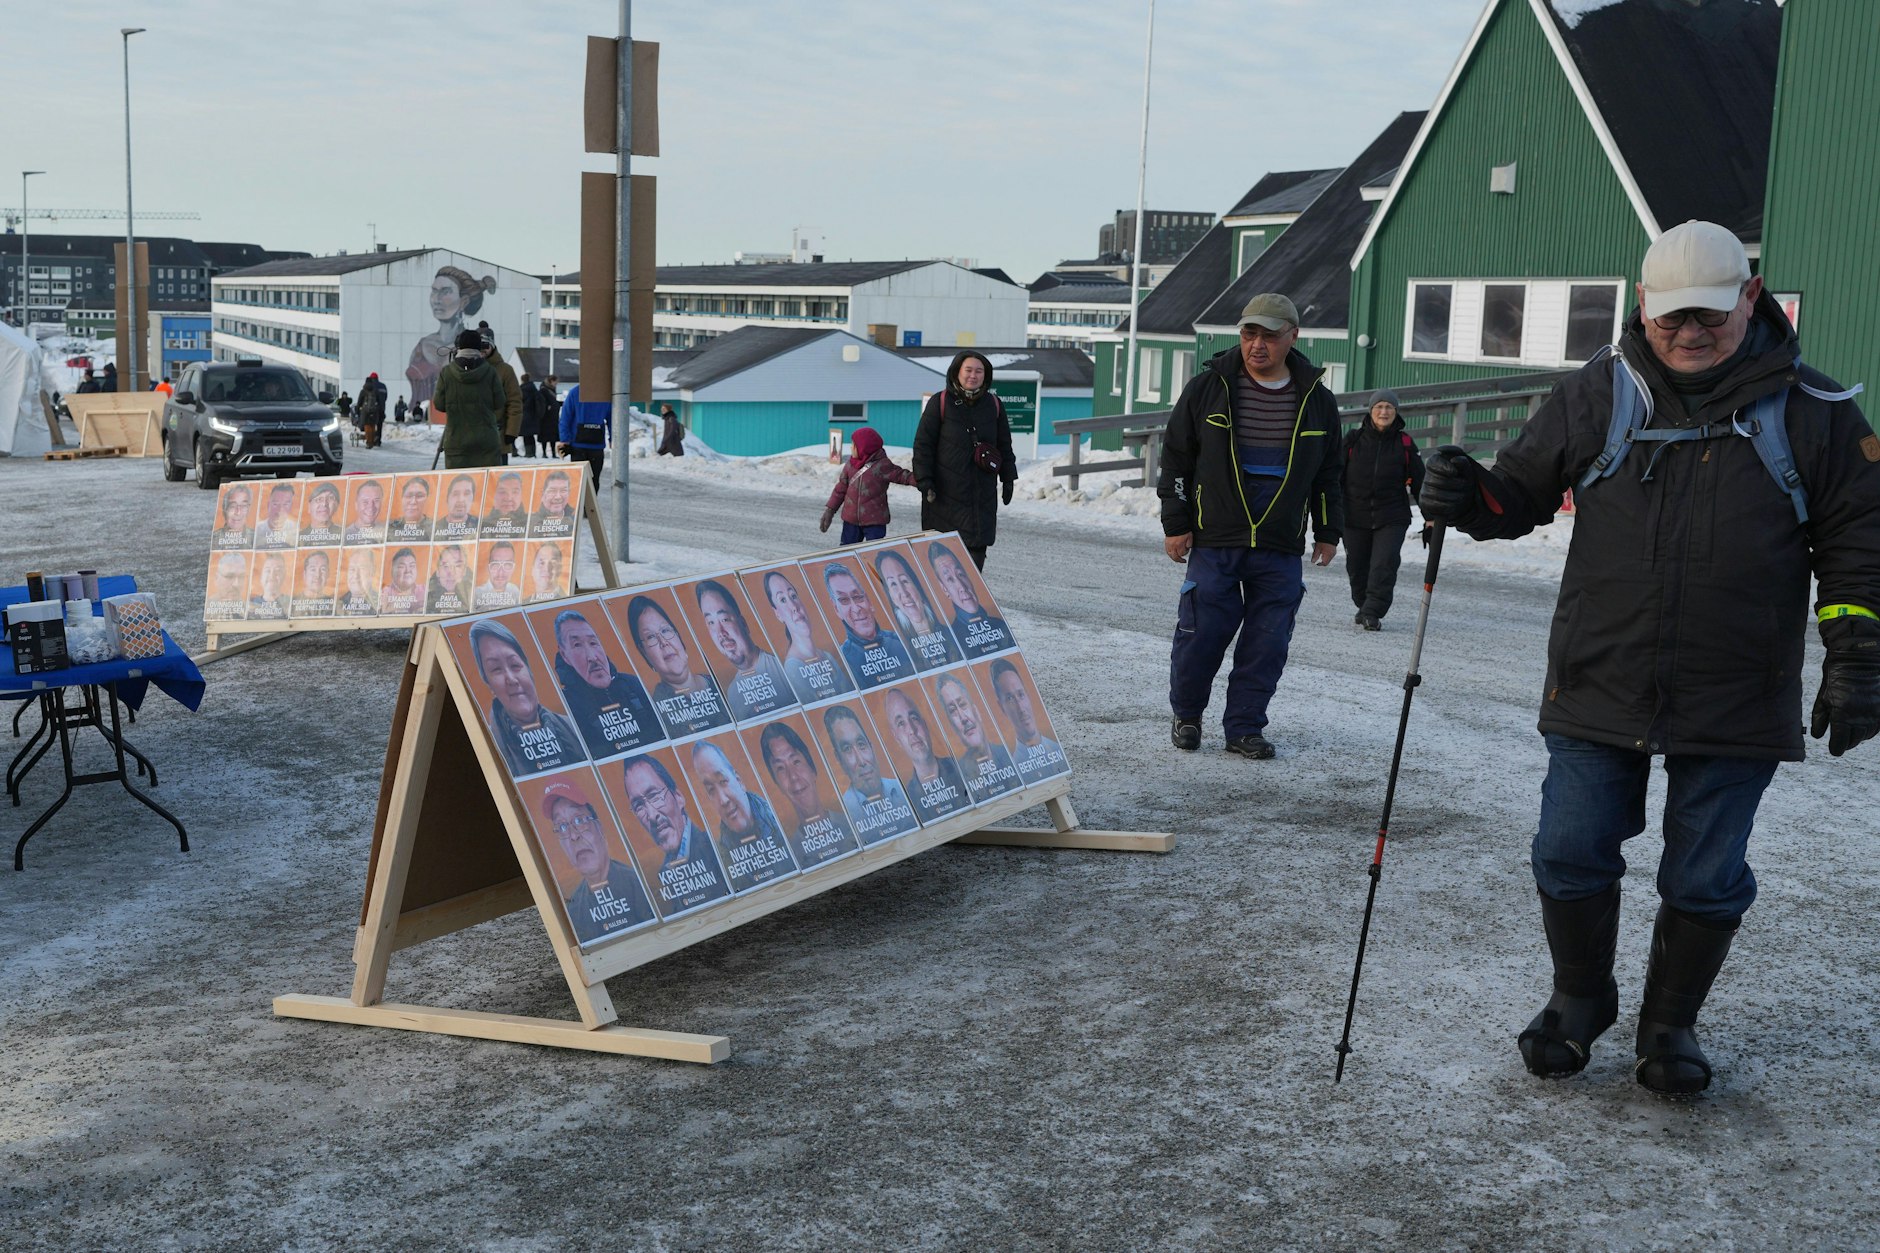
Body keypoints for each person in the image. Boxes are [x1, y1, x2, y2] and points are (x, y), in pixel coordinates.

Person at [1416, 220, 1880, 1096]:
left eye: (1711, 312)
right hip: (1603, 671)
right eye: (1672, 317)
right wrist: (1463, 491)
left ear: (1751, 298)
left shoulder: (1815, 412)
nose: (1690, 331)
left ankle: (1671, 1023)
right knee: (1569, 848)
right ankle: (1580, 997)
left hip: (1741, 688)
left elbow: (1859, 541)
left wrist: (1859, 652)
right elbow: (1515, 492)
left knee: (1705, 874)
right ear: (1642, 304)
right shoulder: (1600, 392)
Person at [1158, 292, 1344, 761]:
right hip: (1216, 536)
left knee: (1267, 643)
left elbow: (1328, 474)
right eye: (1248, 333)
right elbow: (1177, 459)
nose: (1256, 345)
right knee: (1201, 635)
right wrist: (1176, 522)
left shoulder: (1318, 402)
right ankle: (1188, 714)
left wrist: (1327, 530)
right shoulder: (1207, 389)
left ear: (1293, 337)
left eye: (1269, 335)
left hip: (1280, 542)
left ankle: (1244, 728)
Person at [912, 350, 1017, 571]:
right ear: (956, 373)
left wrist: (1008, 478)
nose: (973, 375)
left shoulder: (994, 405)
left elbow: (1004, 445)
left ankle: (971, 603)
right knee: (943, 557)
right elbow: (923, 445)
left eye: (979, 371)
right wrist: (925, 481)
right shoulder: (939, 403)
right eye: (968, 370)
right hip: (943, 495)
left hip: (981, 495)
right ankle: (943, 604)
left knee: (975, 555)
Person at [1342, 389, 1426, 631]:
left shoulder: (1405, 443)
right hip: (1354, 515)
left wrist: (1430, 517)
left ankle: (1373, 611)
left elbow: (1420, 483)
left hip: (1392, 516)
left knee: (1384, 564)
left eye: (1389, 407)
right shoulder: (1353, 440)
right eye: (1379, 407)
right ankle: (1365, 605)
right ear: (1370, 411)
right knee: (1357, 568)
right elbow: (1335, 477)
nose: (1384, 411)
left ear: (1396, 412)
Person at [467, 618, 586, 777]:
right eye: (496, 669)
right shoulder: (487, 748)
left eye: (515, 665)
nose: (511, 679)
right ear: (488, 684)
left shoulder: (575, 727)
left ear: (529, 671)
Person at [544, 782, 655, 943]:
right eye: (561, 827)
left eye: (579, 820)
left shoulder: (642, 886)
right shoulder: (574, 910)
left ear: (600, 828)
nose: (573, 836)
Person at [620, 754, 732, 913]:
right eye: (639, 806)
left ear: (678, 797)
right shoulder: (662, 877)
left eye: (654, 795)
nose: (651, 815)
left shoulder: (719, 848)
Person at [688, 740, 797, 890]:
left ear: (739, 781)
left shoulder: (789, 823)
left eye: (723, 781)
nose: (723, 800)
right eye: (711, 790)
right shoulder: (720, 860)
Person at [551, 608, 660, 757]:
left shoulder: (632, 685)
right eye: (577, 645)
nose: (592, 657)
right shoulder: (566, 705)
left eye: (593, 643)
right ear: (565, 656)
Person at [758, 720, 860, 866]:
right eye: (780, 768)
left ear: (812, 769)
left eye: (796, 761)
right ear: (777, 784)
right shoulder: (790, 858)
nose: (793, 777)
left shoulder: (855, 822)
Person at [626, 595, 731, 736]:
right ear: (644, 653)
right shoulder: (659, 712)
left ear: (678, 637)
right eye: (650, 637)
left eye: (665, 630)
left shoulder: (723, 682)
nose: (663, 642)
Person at [694, 579, 794, 720]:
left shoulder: (784, 667)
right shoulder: (733, 693)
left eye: (724, 619)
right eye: (711, 622)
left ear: (743, 624)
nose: (720, 632)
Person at [821, 704, 920, 842]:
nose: (861, 760)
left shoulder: (905, 789)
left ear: (871, 747)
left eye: (861, 744)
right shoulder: (843, 812)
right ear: (839, 759)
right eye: (847, 749)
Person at [759, 569, 855, 704]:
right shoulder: (793, 668)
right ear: (778, 614)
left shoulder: (827, 656)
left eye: (793, 596)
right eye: (782, 600)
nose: (793, 606)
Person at [408, 265, 496, 409]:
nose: (437, 299)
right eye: (434, 291)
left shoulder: (472, 345)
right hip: (422, 419)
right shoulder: (422, 346)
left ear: (464, 301)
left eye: (445, 292)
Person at [878, 687, 969, 824]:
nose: (911, 730)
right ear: (896, 737)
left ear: (924, 724)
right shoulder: (907, 802)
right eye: (901, 723)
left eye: (913, 718)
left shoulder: (964, 768)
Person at [822, 562, 914, 689]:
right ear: (836, 609)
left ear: (869, 601)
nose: (856, 609)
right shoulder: (842, 662)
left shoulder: (900, 640)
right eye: (844, 600)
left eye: (858, 597)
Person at [820, 425, 914, 545]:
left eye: (854, 445)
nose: (851, 447)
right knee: (847, 553)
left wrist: (922, 481)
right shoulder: (850, 465)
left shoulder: (882, 465)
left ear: (864, 447)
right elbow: (840, 489)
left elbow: (902, 476)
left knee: (873, 553)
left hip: (874, 521)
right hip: (851, 521)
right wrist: (830, 510)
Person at [935, 671, 1020, 802]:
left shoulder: (1011, 753)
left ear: (976, 711)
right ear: (952, 727)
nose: (963, 717)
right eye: (953, 711)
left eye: (963, 705)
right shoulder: (957, 777)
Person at [875, 548, 959, 671]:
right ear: (891, 597)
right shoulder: (898, 652)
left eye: (904, 581)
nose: (904, 593)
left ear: (916, 585)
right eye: (893, 584)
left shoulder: (953, 635)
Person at [434, 328, 506, 469]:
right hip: (486, 443)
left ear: (458, 347)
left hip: (457, 442)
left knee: (459, 488)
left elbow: (439, 404)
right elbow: (500, 402)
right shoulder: (490, 372)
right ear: (479, 347)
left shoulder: (447, 373)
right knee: (487, 489)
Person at [926, 541, 1012, 658]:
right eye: (950, 579)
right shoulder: (952, 640)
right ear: (944, 589)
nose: (962, 587)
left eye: (961, 574)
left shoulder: (1000, 626)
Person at [990, 658, 1068, 784]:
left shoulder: (1057, 750)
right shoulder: (1016, 771)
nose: (1020, 707)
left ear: (1027, 695)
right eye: (1010, 698)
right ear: (1001, 707)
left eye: (1021, 695)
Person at [479, 325, 523, 460]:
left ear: (492, 346)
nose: (482, 350)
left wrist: (511, 432)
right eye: (478, 346)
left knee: (497, 479)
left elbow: (515, 402)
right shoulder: (467, 369)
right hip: (472, 440)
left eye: (485, 345)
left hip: (498, 436)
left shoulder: (505, 370)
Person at [558, 382, 609, 485]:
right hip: (597, 445)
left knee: (577, 482)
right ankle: (591, 501)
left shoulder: (575, 392)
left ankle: (579, 501)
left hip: (578, 445)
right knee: (594, 481)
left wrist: (565, 440)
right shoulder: (604, 394)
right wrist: (613, 439)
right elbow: (613, 419)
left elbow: (565, 418)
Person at [473, 540, 523, 610]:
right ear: (488, 567)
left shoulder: (515, 591)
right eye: (495, 565)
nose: (500, 573)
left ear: (513, 568)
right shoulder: (476, 594)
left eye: (507, 565)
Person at [529, 468, 577, 538]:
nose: (558, 497)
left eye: (563, 491)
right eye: (552, 491)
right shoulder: (530, 522)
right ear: (542, 494)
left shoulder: (575, 519)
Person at [426, 543, 472, 614]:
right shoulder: (425, 600)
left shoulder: (474, 597)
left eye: (457, 566)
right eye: (446, 566)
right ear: (438, 571)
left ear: (464, 571)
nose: (451, 572)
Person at [435, 472, 481, 542]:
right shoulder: (434, 529)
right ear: (447, 498)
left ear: (473, 498)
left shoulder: (481, 526)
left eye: (466, 494)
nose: (461, 500)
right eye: (455, 494)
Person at [481, 470, 529, 536]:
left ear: (521, 495)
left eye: (515, 492)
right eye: (503, 492)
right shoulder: (482, 524)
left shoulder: (531, 523)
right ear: (494, 495)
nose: (508, 498)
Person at [388, 475, 434, 543]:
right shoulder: (390, 529)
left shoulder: (435, 528)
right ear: (402, 499)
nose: (413, 502)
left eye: (419, 496)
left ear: (428, 499)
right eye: (409, 496)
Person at [378, 547, 425, 614]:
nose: (408, 571)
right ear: (392, 571)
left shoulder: (425, 590)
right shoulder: (385, 592)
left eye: (412, 566)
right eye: (401, 567)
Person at [254, 484, 300, 548]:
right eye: (275, 504)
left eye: (285, 504)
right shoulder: (256, 530)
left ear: (291, 507)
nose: (280, 509)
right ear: (268, 505)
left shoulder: (297, 530)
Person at [344, 479, 387, 545]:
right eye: (365, 501)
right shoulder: (344, 535)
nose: (371, 507)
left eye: (376, 501)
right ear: (356, 505)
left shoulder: (387, 533)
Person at [211, 484, 255, 550]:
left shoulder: (256, 538)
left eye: (243, 506)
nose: (238, 512)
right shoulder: (215, 538)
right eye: (232, 506)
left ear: (248, 510)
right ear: (225, 510)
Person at [206, 552, 248, 618]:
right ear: (216, 579)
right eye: (229, 576)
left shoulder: (253, 611)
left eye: (241, 576)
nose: (236, 584)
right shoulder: (204, 608)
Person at [293, 550, 335, 615]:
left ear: (328, 574)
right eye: (313, 570)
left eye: (323, 569)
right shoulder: (292, 604)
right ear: (304, 574)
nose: (318, 575)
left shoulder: (334, 605)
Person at [339, 550, 380, 615]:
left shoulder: (381, 603)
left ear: (372, 571)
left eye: (362, 568)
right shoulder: (338, 603)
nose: (356, 576)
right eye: (352, 569)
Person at [248, 554, 289, 619]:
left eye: (278, 570)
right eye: (267, 570)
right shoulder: (250, 604)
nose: (272, 575)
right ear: (261, 576)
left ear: (284, 576)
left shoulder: (291, 603)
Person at [357, 372, 388, 448]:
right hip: (378, 409)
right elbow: (385, 398)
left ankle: (369, 442)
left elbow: (359, 402)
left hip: (366, 410)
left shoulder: (364, 390)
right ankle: (377, 440)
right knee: (377, 425)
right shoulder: (383, 386)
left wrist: (358, 409)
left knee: (367, 425)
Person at [535, 379, 561, 458]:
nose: (556, 384)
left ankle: (552, 453)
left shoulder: (550, 390)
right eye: (555, 382)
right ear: (551, 381)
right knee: (545, 437)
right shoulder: (544, 390)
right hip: (546, 417)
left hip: (552, 417)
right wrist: (547, 407)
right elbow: (541, 402)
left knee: (551, 437)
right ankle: (544, 453)